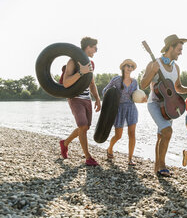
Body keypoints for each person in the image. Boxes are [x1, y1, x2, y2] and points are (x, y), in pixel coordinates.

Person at [140, 34, 187, 177]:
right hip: (155, 104)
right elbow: (143, 84)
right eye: (179, 49)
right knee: (167, 132)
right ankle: (163, 166)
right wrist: (153, 71)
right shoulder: (154, 63)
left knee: (161, 136)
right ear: (170, 47)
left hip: (170, 106)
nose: (181, 52)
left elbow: (178, 87)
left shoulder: (177, 68)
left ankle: (157, 167)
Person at [59, 37, 101, 166]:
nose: (96, 50)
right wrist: (80, 73)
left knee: (85, 127)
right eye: (95, 48)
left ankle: (65, 143)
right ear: (88, 47)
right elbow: (66, 83)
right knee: (82, 126)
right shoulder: (72, 62)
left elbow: (92, 84)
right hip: (75, 98)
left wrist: (98, 99)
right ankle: (88, 157)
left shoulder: (91, 64)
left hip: (86, 99)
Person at [102, 59, 146, 165]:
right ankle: (109, 148)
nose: (130, 68)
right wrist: (111, 101)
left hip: (131, 108)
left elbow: (136, 96)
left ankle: (130, 159)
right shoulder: (116, 79)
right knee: (118, 135)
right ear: (123, 67)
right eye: (128, 66)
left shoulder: (135, 82)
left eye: (131, 66)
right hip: (119, 109)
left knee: (132, 134)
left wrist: (143, 100)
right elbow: (104, 91)